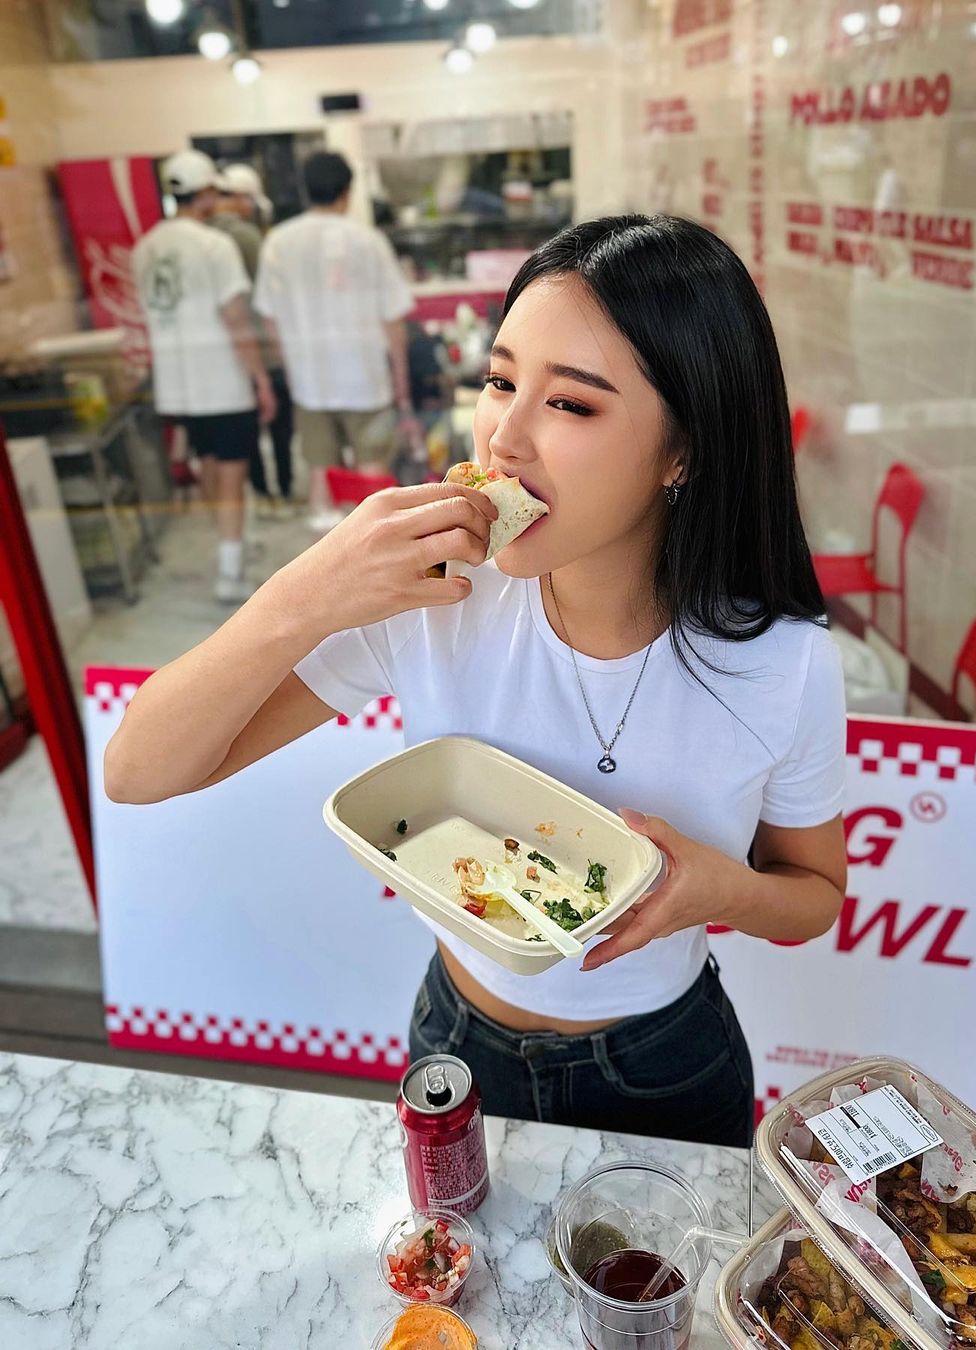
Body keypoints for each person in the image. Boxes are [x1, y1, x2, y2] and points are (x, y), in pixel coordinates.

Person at [105, 215, 848, 1147]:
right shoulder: (436, 594)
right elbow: (140, 770)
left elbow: (813, 893)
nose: (504, 441)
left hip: (666, 1064)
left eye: (570, 404)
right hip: (455, 1042)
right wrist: (306, 591)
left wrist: (717, 890)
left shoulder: (781, 662)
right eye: (499, 382)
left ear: (683, 452)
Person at [133, 149, 275, 604]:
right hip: (221, 381)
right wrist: (260, 378)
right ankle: (230, 570)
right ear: (207, 193)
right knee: (232, 472)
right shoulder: (214, 246)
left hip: (177, 384)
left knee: (209, 465)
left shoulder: (145, 248)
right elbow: (236, 319)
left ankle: (230, 544)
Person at [252, 151, 422, 531]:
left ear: (305, 190)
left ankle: (327, 555)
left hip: (309, 383)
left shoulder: (278, 243)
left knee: (320, 471)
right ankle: (376, 549)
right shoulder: (369, 241)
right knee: (372, 474)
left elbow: (270, 319)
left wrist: (290, 368)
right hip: (367, 381)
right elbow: (393, 323)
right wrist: (402, 388)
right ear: (347, 192)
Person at [212, 163, 296, 519]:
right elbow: (269, 299)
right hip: (259, 346)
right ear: (241, 198)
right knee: (279, 425)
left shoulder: (205, 235)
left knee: (248, 429)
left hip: (227, 355)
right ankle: (283, 491)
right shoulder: (247, 238)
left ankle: (261, 492)